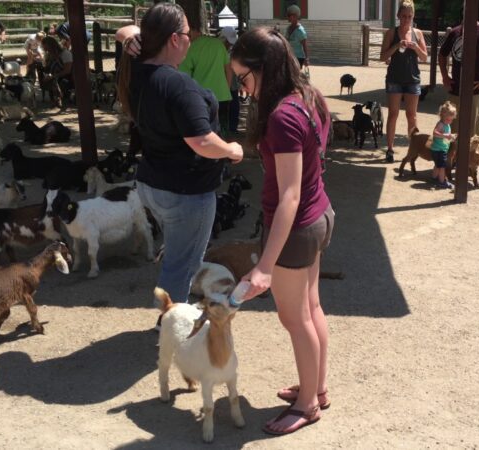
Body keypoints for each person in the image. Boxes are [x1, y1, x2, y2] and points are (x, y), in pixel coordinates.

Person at [230, 27, 334, 435]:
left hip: (297, 226)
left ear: (263, 69)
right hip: (318, 216)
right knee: (311, 310)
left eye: (242, 78)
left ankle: (308, 404)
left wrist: (264, 265)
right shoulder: (308, 96)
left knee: (295, 319)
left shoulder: (282, 116)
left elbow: (289, 195)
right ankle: (317, 388)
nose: (241, 88)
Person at [115, 3, 243, 307]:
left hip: (153, 184)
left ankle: (171, 314)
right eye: (188, 34)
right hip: (185, 192)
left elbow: (128, 32)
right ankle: (170, 325)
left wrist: (133, 37)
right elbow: (201, 142)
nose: (192, 39)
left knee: (176, 255)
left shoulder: (137, 71)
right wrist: (232, 149)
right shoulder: (178, 86)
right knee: (182, 265)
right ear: (174, 39)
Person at [379, 0, 427, 163]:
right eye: (404, 16)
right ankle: (390, 149)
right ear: (398, 16)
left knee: (412, 116)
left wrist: (415, 48)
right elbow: (383, 57)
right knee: (393, 114)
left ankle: (413, 150)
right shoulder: (391, 33)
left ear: (413, 17)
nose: (406, 19)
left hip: (413, 80)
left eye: (409, 16)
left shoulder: (418, 33)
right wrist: (397, 45)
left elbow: (425, 57)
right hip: (394, 80)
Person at [179, 27, 233, 136]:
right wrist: (227, 88)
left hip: (201, 97)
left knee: (203, 132)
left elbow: (184, 75)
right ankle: (224, 150)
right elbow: (228, 69)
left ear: (194, 31)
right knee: (223, 129)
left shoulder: (191, 48)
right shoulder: (218, 44)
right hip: (222, 95)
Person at [41, 36, 74, 107]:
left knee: (55, 80)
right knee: (49, 79)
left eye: (45, 46)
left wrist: (53, 76)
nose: (44, 48)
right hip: (54, 75)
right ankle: (57, 97)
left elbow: (67, 70)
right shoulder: (49, 55)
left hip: (66, 76)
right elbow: (48, 68)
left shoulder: (65, 53)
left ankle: (58, 97)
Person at [431, 102, 457, 189]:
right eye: (448, 119)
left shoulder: (447, 124)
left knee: (437, 165)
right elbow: (435, 133)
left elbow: (446, 135)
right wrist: (445, 136)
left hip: (440, 149)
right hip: (439, 149)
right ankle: (442, 182)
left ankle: (434, 178)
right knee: (442, 166)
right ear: (442, 116)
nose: (450, 121)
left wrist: (451, 136)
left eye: (451, 119)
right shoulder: (441, 124)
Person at [221, 26, 241, 134]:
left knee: (234, 105)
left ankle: (232, 128)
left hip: (232, 83)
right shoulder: (219, 50)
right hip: (222, 84)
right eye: (228, 41)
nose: (230, 44)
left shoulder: (233, 51)